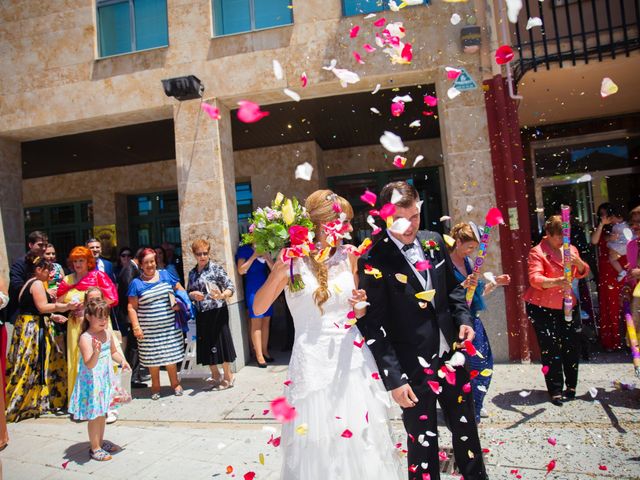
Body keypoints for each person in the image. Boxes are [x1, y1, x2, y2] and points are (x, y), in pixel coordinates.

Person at [254, 189, 403, 479]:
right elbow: (259, 306)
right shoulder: (292, 260)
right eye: (341, 222)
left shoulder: (349, 257)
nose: (347, 229)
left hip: (352, 361)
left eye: (347, 222)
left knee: (361, 442)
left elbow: (357, 313)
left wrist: (359, 303)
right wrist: (278, 272)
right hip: (312, 365)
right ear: (319, 225)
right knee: (318, 446)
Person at [358, 181, 488, 480]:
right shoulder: (373, 259)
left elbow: (454, 291)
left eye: (414, 216)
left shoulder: (433, 241)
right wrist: (394, 379)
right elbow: (373, 325)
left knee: (467, 433)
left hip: (451, 357)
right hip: (411, 369)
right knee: (422, 446)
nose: (409, 225)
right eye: (401, 218)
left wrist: (464, 321)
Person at [525, 215, 590, 406]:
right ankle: (554, 389)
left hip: (568, 303)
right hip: (543, 306)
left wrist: (578, 262)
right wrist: (557, 281)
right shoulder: (537, 252)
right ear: (548, 234)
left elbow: (583, 271)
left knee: (571, 343)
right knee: (550, 347)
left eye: (564, 236)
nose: (561, 240)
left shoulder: (570, 248)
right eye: (558, 237)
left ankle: (571, 386)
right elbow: (534, 279)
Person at [449, 222, 510, 424]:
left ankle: (477, 401)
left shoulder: (467, 262)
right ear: (457, 242)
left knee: (485, 364)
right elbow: (447, 294)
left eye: (474, 248)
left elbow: (478, 293)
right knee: (468, 366)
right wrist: (463, 284)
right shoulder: (446, 264)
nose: (471, 251)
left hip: (474, 320)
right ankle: (467, 407)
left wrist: (495, 283)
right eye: (469, 247)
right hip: (457, 323)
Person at [5, 253, 78, 422]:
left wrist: (53, 317)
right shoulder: (37, 283)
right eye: (48, 270)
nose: (50, 274)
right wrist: (65, 306)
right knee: (32, 364)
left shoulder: (28, 283)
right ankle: (23, 403)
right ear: (38, 270)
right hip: (32, 329)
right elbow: (42, 307)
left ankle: (35, 401)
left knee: (32, 365)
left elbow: (33, 308)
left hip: (27, 325)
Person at [68, 300, 129, 462]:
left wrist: (122, 361)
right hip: (92, 381)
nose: (103, 320)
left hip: (105, 378)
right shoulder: (85, 338)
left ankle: (100, 442)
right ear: (88, 317)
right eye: (99, 317)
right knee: (94, 415)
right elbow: (89, 363)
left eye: (105, 317)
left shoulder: (107, 333)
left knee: (102, 411)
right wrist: (95, 351)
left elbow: (113, 352)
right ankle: (94, 447)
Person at [57, 246, 118, 401]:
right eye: (75, 261)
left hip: (98, 324)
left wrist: (87, 308)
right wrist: (69, 307)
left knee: (101, 358)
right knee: (78, 360)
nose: (78, 264)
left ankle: (105, 398)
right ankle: (80, 400)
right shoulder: (67, 280)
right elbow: (57, 302)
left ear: (88, 261)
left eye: (81, 260)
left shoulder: (98, 276)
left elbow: (111, 299)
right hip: (75, 326)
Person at [128, 248, 185, 399]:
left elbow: (179, 289)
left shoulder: (165, 275)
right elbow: (132, 307)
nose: (150, 265)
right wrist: (136, 327)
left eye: (152, 261)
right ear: (140, 264)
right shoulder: (136, 283)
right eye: (146, 262)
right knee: (153, 361)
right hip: (148, 331)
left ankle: (175, 383)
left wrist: (181, 303)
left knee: (171, 358)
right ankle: (155, 387)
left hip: (170, 328)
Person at [187, 240, 237, 389]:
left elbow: (230, 286)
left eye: (205, 253)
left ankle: (228, 376)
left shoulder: (215, 269)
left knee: (220, 342)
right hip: (202, 312)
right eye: (199, 254)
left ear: (209, 253)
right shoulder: (192, 273)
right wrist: (192, 294)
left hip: (217, 310)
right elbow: (188, 291)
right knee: (206, 343)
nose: (202, 256)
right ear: (194, 255)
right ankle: (215, 375)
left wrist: (222, 295)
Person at [591, 204, 625, 350]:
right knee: (609, 305)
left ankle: (628, 339)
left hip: (621, 266)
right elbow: (594, 241)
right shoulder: (603, 229)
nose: (605, 218)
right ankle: (612, 341)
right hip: (607, 270)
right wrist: (601, 225)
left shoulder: (621, 227)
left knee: (624, 302)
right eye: (602, 215)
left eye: (607, 215)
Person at [236, 243, 274, 367]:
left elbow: (274, 270)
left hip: (266, 287)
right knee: (256, 320)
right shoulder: (244, 250)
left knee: (266, 321)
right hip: (253, 288)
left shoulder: (266, 248)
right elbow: (241, 270)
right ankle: (259, 355)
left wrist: (267, 258)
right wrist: (254, 256)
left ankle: (265, 351)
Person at [8, 230, 49, 323]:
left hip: (44, 314)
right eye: (40, 245)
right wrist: (37, 291)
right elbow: (16, 285)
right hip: (25, 316)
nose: (43, 248)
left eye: (45, 245)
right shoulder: (20, 264)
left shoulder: (45, 263)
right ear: (30, 245)